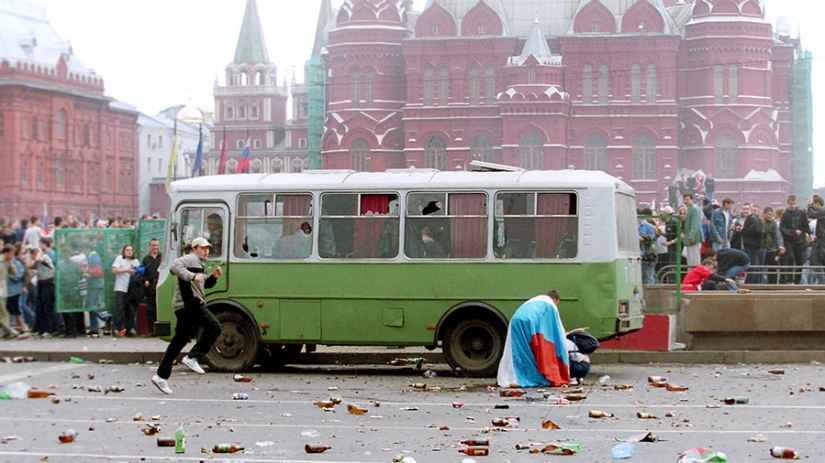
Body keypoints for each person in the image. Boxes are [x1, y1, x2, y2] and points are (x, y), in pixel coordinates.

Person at [152, 237, 223, 395]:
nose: (206, 251)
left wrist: (213, 277)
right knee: (215, 327)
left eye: (208, 248)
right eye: (203, 248)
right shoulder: (190, 259)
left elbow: (203, 285)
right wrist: (192, 276)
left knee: (180, 339)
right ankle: (192, 357)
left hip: (187, 304)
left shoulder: (200, 264)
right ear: (194, 248)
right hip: (189, 303)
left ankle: (161, 376)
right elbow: (174, 266)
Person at [497, 290, 571, 388]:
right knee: (532, 351)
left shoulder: (533, 300)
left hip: (516, 320)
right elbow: (555, 329)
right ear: (555, 299)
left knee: (518, 349)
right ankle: (532, 375)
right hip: (532, 321)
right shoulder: (550, 304)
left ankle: (513, 376)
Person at [779, 195, 811, 284]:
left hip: (799, 240)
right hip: (789, 240)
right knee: (791, 259)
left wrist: (809, 233)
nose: (792, 205)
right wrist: (793, 232)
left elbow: (805, 224)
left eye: (794, 204)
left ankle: (797, 280)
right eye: (790, 204)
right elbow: (782, 228)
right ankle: (789, 279)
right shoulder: (785, 214)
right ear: (788, 203)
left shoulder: (800, 213)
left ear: (796, 203)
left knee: (799, 260)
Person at [111, 244, 140, 338]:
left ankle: (129, 328)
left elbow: (139, 271)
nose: (129, 252)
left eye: (131, 250)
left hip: (131, 289)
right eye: (127, 250)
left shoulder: (135, 261)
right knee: (119, 308)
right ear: (124, 251)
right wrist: (126, 270)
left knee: (130, 309)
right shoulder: (120, 259)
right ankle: (116, 328)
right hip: (120, 287)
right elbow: (114, 270)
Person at [0, 244, 22, 339]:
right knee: (3, 310)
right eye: (11, 254)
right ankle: (7, 329)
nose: (12, 256)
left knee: (3, 309)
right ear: (6, 252)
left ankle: (5, 330)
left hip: (4, 289)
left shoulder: (7, 263)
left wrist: (11, 263)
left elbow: (14, 273)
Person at [142, 238, 162, 335]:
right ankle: (151, 330)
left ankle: (160, 330)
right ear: (150, 246)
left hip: (160, 283)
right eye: (153, 246)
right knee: (151, 308)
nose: (155, 247)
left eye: (157, 245)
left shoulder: (163, 257)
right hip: (150, 285)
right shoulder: (146, 259)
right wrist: (145, 280)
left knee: (160, 307)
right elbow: (143, 272)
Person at [763, 207, 784, 285]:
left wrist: (778, 246)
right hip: (763, 248)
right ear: (764, 214)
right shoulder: (761, 222)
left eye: (772, 214)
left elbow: (776, 236)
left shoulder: (774, 223)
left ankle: (772, 284)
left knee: (773, 268)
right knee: (761, 267)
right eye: (769, 214)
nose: (770, 216)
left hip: (772, 249)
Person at [682, 193, 704, 268]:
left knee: (694, 260)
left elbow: (695, 224)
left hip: (694, 238)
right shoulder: (690, 209)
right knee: (691, 260)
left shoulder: (694, 209)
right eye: (684, 200)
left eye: (687, 199)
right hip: (690, 238)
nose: (686, 201)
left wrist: (691, 236)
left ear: (692, 199)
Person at [807, 195, 825, 284]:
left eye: (814, 204)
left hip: (822, 240)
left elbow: (811, 214)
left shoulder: (823, 210)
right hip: (820, 239)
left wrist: (809, 205)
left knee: (818, 259)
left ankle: (822, 281)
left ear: (818, 203)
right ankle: (821, 280)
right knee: (817, 259)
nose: (813, 207)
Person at [638, 209, 657, 284]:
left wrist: (644, 238)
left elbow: (653, 238)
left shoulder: (646, 226)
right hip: (639, 255)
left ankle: (651, 294)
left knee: (648, 276)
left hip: (646, 255)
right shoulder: (631, 225)